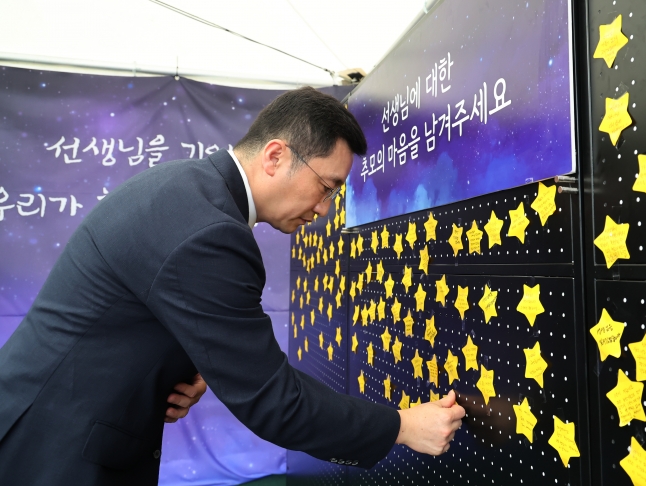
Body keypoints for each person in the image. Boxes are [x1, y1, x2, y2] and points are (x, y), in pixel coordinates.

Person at [0, 87, 465, 485]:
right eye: (326, 187)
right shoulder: (209, 232)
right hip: (50, 450)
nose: (324, 209)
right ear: (275, 156)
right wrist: (401, 427)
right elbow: (274, 401)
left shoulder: (191, 191)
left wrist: (191, 363)